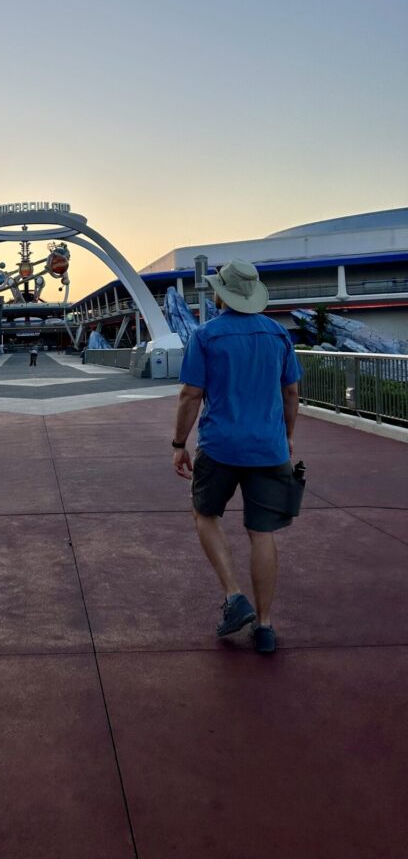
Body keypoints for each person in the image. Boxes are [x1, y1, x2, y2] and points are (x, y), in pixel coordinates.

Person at [171, 258, 303, 654]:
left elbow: (190, 394)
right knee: (261, 533)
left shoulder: (206, 336)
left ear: (221, 293)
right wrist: (287, 436)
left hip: (221, 446)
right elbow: (291, 393)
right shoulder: (278, 335)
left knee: (205, 514)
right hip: (269, 447)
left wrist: (179, 444)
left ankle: (233, 595)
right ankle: (264, 625)